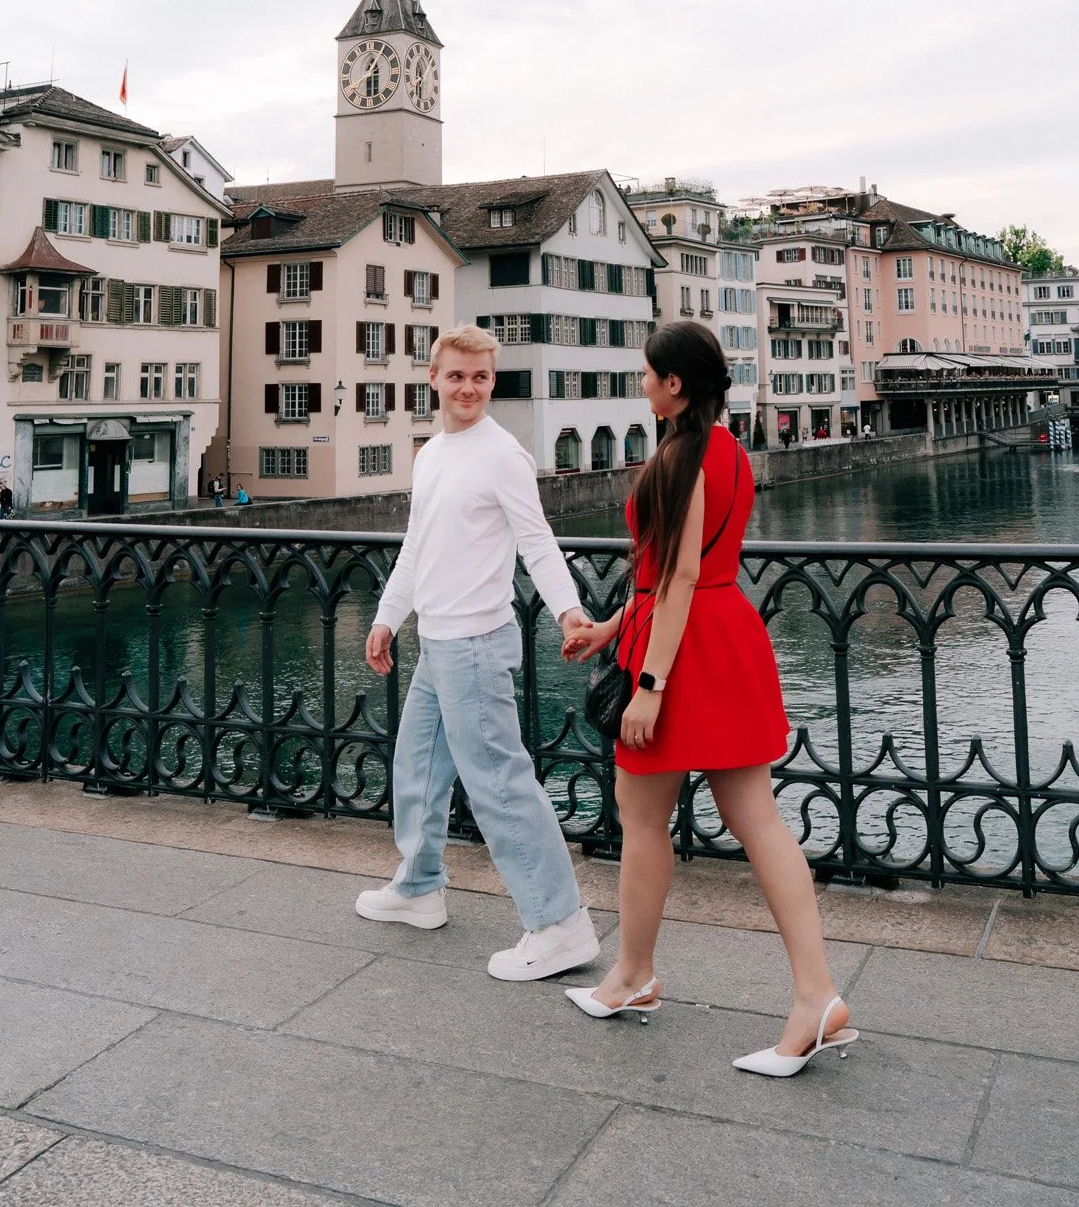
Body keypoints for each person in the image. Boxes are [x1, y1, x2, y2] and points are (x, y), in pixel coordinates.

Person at [562, 321, 858, 1077]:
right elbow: (684, 575)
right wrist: (609, 626)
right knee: (756, 819)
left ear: (674, 385)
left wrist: (650, 686)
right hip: (723, 635)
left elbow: (679, 576)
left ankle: (637, 976)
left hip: (681, 647)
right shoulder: (726, 451)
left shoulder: (676, 459)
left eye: (648, 374)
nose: (641, 383)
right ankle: (813, 994)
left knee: (641, 819)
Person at [359, 323, 600, 983]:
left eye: (481, 377)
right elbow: (418, 545)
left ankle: (559, 925)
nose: (468, 388)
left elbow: (538, 542)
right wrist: (387, 616)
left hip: (473, 643)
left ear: (492, 383)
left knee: (497, 783)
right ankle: (417, 889)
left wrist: (568, 610)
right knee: (416, 769)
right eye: (457, 375)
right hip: (437, 641)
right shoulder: (432, 452)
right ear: (433, 379)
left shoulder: (501, 455)